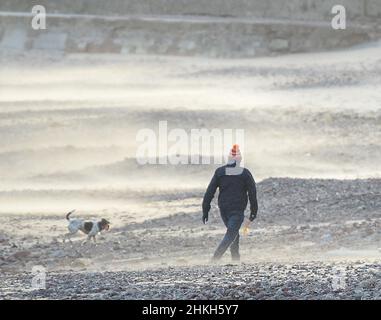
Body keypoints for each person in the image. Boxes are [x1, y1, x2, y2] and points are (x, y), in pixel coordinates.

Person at [202, 144, 258, 262]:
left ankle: (235, 259)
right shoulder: (244, 173)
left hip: (224, 209)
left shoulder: (220, 172)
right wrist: (254, 212)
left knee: (233, 232)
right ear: (240, 160)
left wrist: (205, 210)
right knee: (231, 233)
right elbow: (253, 193)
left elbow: (209, 192)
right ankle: (214, 260)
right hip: (237, 209)